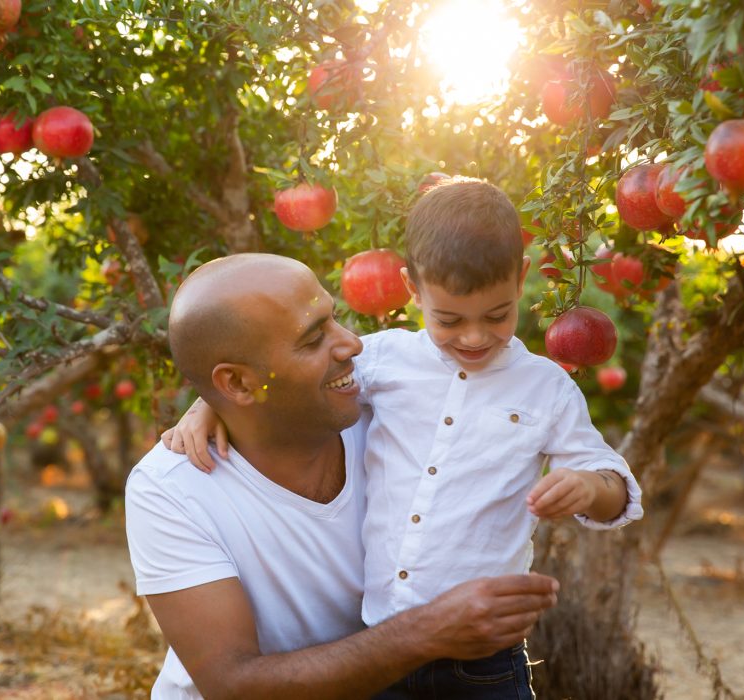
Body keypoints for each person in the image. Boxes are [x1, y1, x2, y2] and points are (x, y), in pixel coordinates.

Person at [164, 178, 644, 698]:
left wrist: (588, 487)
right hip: (379, 647)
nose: (475, 337)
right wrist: (206, 405)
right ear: (411, 289)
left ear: (522, 277)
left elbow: (613, 486)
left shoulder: (546, 388)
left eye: (498, 315)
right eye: (449, 319)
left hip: (484, 663)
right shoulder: (386, 357)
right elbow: (285, 381)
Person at [126, 252, 560, 699]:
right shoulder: (171, 488)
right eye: (314, 338)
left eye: (334, 319)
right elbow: (232, 682)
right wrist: (424, 632)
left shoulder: (395, 417)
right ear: (237, 384)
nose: (352, 343)